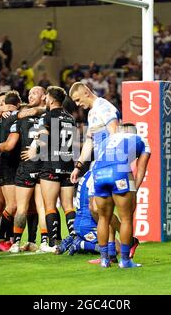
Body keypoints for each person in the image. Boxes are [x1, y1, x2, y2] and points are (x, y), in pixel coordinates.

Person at [69, 82, 122, 260]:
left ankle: (125, 239)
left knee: (99, 208)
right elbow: (90, 143)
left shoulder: (103, 107)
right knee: (97, 208)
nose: (77, 104)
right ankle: (111, 252)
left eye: (78, 100)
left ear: (86, 92)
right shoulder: (92, 113)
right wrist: (78, 166)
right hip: (98, 164)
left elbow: (114, 131)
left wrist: (111, 160)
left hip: (109, 163)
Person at [0, 86, 51, 253]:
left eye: (34, 93)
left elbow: (10, 144)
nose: (31, 95)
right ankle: (43, 241)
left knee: (20, 207)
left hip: (23, 165)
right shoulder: (48, 116)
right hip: (41, 165)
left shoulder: (19, 117)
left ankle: (14, 242)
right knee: (40, 207)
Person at [22, 86, 76, 249]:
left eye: (46, 97)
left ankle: (54, 242)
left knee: (50, 205)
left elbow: (44, 138)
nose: (44, 99)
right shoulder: (70, 117)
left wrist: (34, 148)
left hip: (51, 165)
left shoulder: (47, 116)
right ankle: (74, 237)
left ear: (51, 99)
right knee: (68, 206)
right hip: (67, 164)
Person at [92, 123, 151, 268]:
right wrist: (134, 190)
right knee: (126, 218)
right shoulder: (141, 139)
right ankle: (125, 261)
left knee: (103, 218)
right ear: (134, 132)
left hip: (98, 174)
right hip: (119, 172)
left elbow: (97, 160)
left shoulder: (107, 140)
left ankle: (105, 260)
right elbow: (141, 169)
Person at [0, 91, 22, 252]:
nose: (3, 105)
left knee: (10, 205)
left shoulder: (12, 118)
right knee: (2, 205)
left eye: (4, 102)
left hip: (8, 162)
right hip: (0, 161)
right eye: (0, 103)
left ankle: (6, 238)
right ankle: (0, 238)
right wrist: (0, 111)